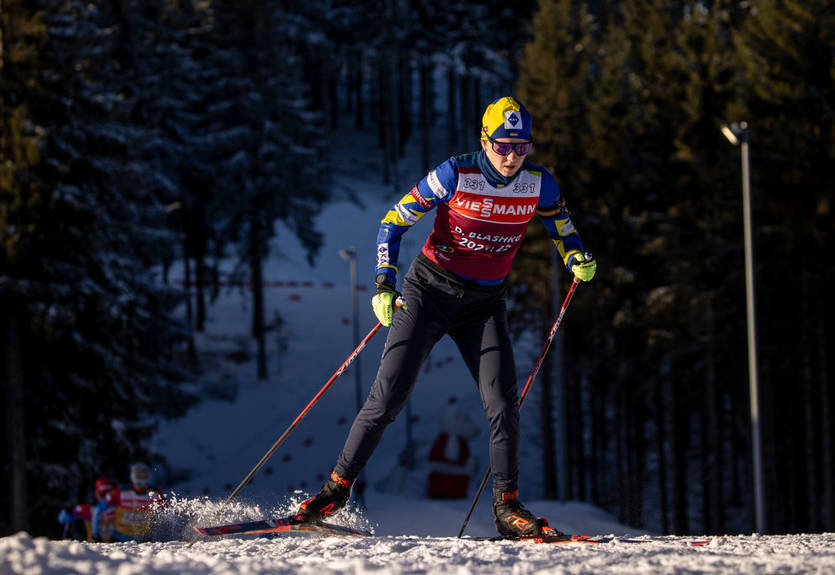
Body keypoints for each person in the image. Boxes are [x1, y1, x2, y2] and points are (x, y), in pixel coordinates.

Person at [296, 96, 596, 538]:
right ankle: (335, 491)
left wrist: (575, 256)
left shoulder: (539, 183)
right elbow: (392, 222)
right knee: (389, 396)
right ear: (484, 140)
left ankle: (507, 508)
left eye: (522, 146)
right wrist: (383, 283)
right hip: (429, 291)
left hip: (484, 304)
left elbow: (562, 226)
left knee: (502, 404)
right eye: (502, 145)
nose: (512, 156)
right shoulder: (454, 173)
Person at [92, 463, 166, 542]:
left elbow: (165, 515)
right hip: (119, 540)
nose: (142, 486)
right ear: (133, 481)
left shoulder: (155, 494)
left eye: (146, 483)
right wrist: (95, 533)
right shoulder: (120, 492)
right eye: (139, 483)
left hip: (144, 541)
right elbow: (98, 509)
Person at [57, 476, 115, 541]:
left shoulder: (119, 506)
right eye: (102, 495)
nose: (105, 499)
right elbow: (63, 519)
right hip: (95, 548)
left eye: (108, 495)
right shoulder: (89, 510)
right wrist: (67, 511)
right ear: (96, 493)